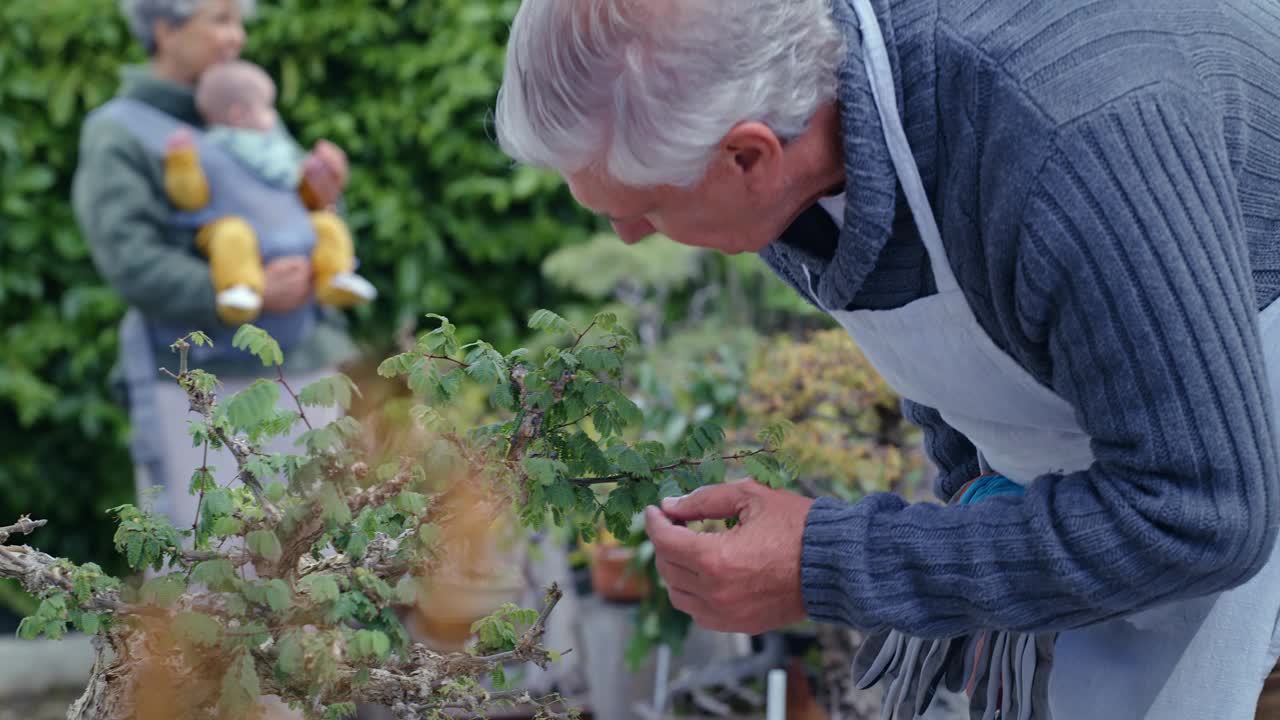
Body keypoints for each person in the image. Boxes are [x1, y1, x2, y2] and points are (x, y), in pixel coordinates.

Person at [494, 0, 1280, 717]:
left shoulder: (1069, 133)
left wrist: (828, 562)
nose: (627, 237)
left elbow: (1202, 516)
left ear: (748, 158)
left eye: (645, 206)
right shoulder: (804, 144)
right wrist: (977, 510)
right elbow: (955, 346)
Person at [73, 0, 359, 537]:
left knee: (318, 560)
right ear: (164, 28)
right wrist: (241, 292)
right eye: (220, 19)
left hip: (304, 365)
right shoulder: (120, 131)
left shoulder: (249, 111)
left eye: (239, 21)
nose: (237, 38)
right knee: (210, 565)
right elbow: (130, 260)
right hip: (200, 384)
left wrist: (323, 194)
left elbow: (308, 217)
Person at [164, 59, 376, 325]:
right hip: (243, 235)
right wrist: (181, 162)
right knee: (231, 236)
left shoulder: (277, 150)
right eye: (266, 107)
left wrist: (316, 179)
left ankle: (334, 276)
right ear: (239, 115)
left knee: (328, 225)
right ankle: (240, 287)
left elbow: (301, 196)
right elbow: (190, 199)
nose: (274, 116)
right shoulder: (203, 151)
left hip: (290, 228)